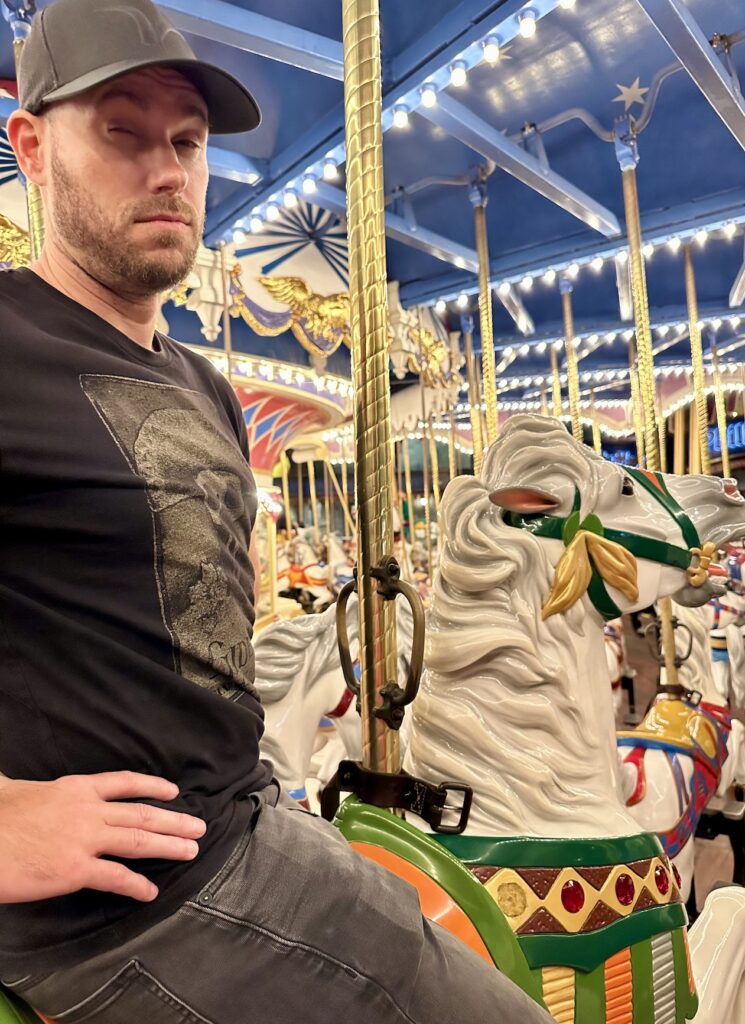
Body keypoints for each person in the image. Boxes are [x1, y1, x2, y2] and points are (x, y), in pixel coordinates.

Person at [0, 1, 554, 1021]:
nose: (167, 170)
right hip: (128, 916)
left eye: (188, 142)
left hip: (251, 833)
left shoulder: (205, 386)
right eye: (121, 131)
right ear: (30, 146)